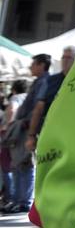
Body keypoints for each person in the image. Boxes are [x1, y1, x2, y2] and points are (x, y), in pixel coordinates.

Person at [2, 54, 50, 214]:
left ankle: (24, 201)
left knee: (26, 165)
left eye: (33, 64)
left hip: (28, 128)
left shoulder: (44, 81)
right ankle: (18, 200)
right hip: (26, 127)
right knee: (19, 165)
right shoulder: (39, 81)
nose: (30, 67)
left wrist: (29, 129)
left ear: (41, 65)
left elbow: (39, 107)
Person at [1, 78, 29, 210]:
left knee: (14, 167)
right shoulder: (28, 97)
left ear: (13, 89)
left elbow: (12, 110)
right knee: (26, 166)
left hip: (16, 135)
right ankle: (23, 200)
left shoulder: (15, 98)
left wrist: (7, 126)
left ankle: (17, 199)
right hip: (27, 134)